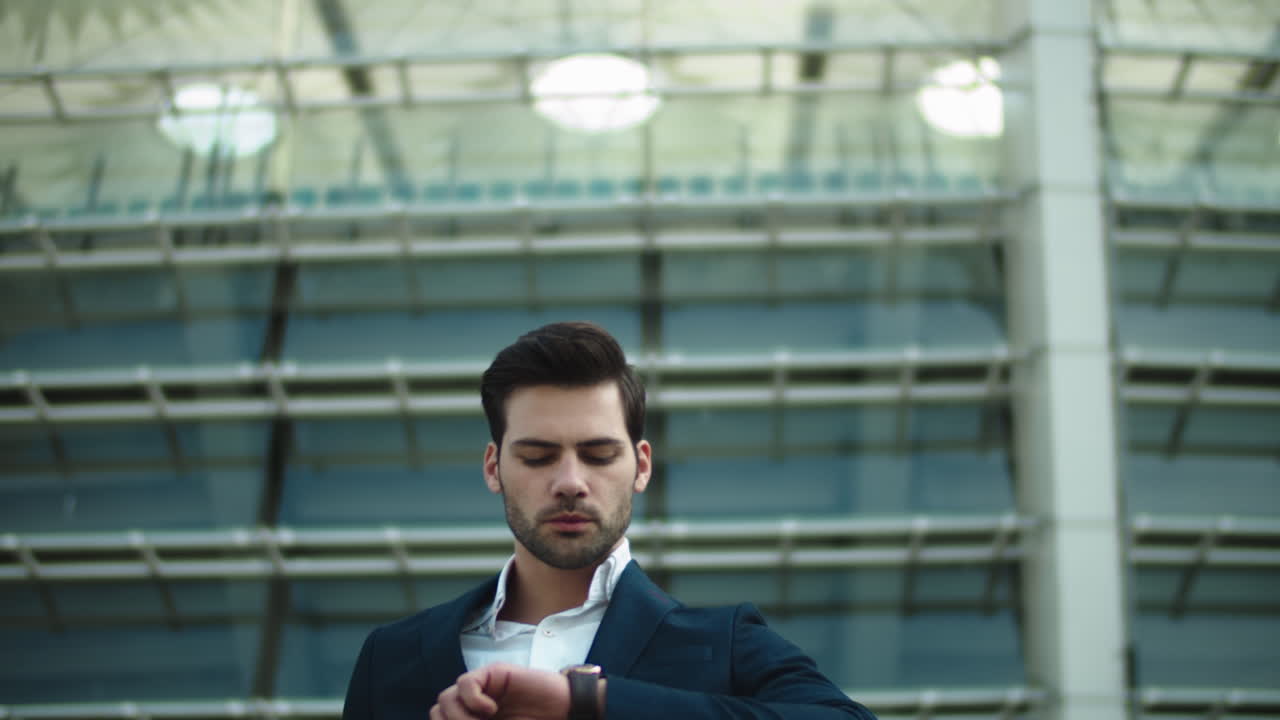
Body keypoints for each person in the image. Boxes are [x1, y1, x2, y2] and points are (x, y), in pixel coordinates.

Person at [342, 322, 877, 720]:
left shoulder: (724, 644)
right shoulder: (390, 659)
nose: (570, 481)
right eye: (537, 456)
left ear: (641, 466)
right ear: (493, 467)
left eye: (598, 455)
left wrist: (590, 703)